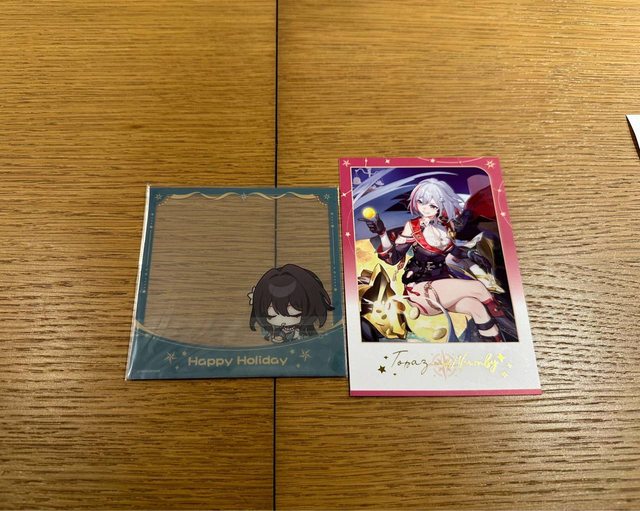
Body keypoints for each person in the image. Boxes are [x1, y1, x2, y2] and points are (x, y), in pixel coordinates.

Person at [364, 178, 516, 342]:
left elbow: (453, 252)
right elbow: (393, 258)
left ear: (441, 205)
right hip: (422, 291)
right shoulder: (413, 227)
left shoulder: (446, 227)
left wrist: (472, 257)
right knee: (478, 288)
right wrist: (382, 233)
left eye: (432, 205)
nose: (425, 208)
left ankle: (496, 344)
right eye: (421, 202)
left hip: (444, 288)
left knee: (477, 308)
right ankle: (513, 328)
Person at [249, 264, 334, 343]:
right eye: (272, 316)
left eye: (294, 315)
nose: (283, 321)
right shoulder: (272, 330)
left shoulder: (306, 331)